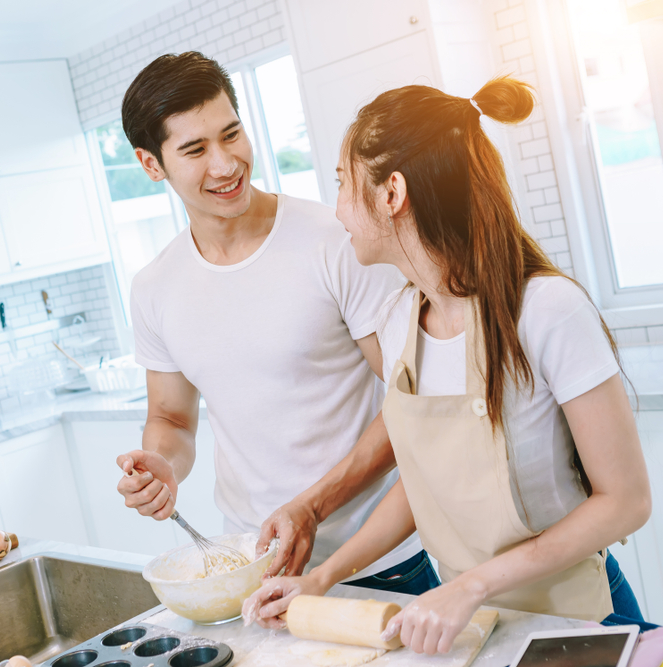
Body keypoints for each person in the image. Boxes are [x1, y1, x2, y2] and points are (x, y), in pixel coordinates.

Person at [244, 77, 652, 654]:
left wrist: (472, 585)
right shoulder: (398, 322)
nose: (336, 209)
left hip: (578, 622)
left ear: (392, 192)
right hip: (474, 628)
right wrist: (319, 580)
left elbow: (627, 500)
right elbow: (426, 481)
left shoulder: (546, 311)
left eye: (341, 183)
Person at [113, 51, 440, 594]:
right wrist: (163, 465)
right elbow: (171, 419)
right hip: (252, 568)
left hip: (380, 562)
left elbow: (413, 401)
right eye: (195, 149)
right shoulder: (154, 287)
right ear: (151, 164)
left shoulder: (335, 241)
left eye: (232, 134)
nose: (225, 164)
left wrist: (313, 508)